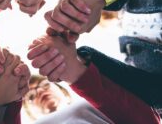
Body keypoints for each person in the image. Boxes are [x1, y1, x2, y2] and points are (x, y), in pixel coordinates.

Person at [26, 32, 160, 124]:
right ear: (29, 114)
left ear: (64, 91)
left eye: (44, 85)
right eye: (30, 96)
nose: (39, 92)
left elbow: (147, 116)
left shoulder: (96, 100)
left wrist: (75, 67)